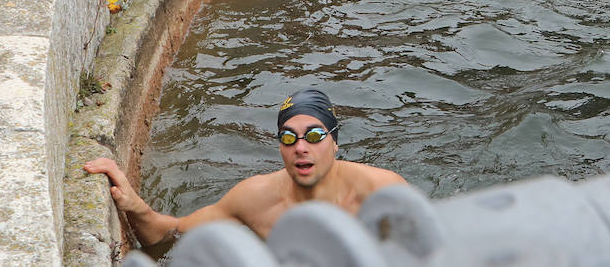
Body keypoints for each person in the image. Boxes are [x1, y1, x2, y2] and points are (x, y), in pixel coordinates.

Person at [84, 87, 404, 249]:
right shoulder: (255, 199)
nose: (301, 147)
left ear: (335, 142)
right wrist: (134, 206)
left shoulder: (383, 193)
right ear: (280, 146)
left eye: (316, 135)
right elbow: (168, 233)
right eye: (289, 137)